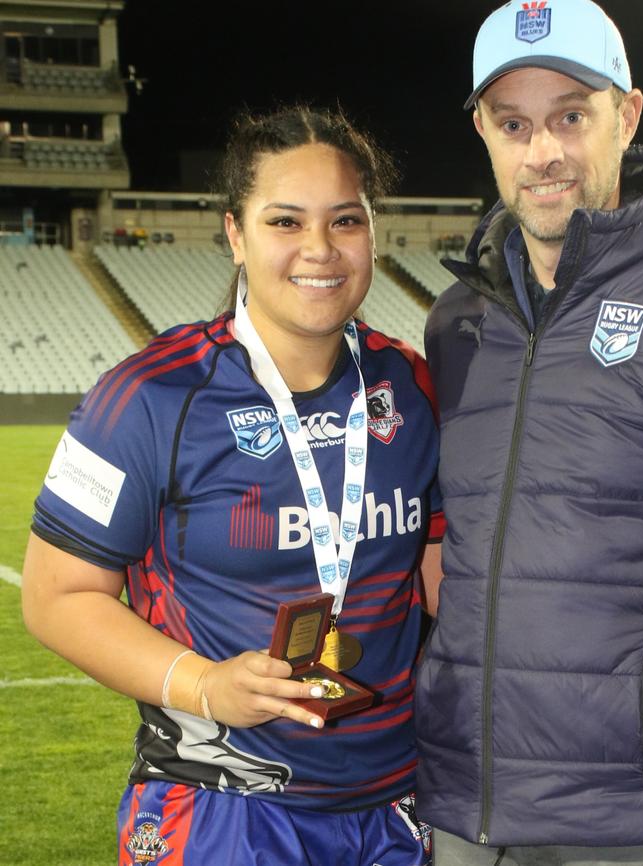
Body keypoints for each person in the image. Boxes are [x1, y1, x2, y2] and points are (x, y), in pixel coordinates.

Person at [22, 106, 444, 866]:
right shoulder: (147, 395)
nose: (319, 248)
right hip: (220, 805)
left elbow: (439, 572)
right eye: (285, 220)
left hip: (398, 807)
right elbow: (54, 596)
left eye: (346, 220)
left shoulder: (410, 387)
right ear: (235, 234)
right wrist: (205, 684)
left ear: (373, 233)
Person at [415, 0, 643, 864]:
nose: (542, 151)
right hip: (464, 799)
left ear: (627, 116)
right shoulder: (456, 321)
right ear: (483, 130)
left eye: (571, 118)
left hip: (622, 811)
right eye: (514, 123)